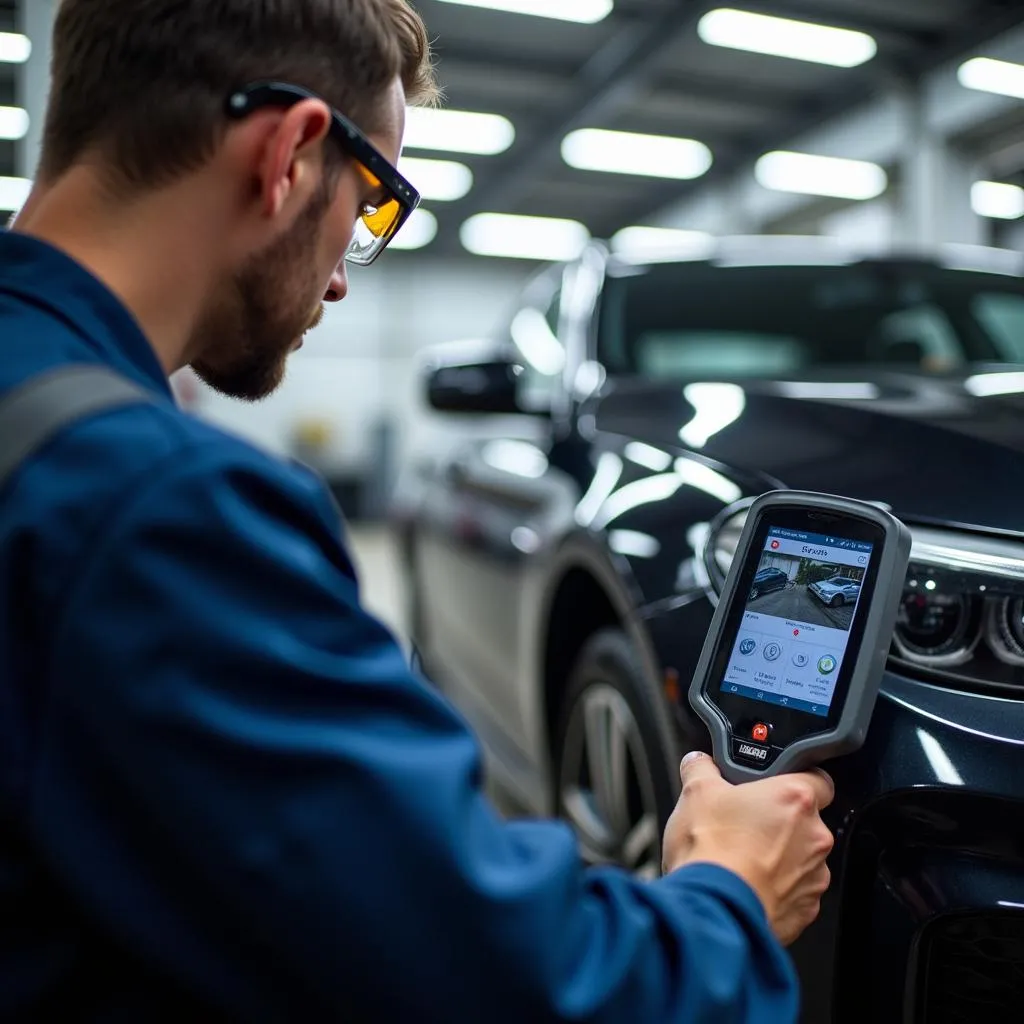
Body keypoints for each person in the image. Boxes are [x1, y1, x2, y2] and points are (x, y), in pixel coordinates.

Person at [0, 1, 834, 1020]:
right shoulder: (159, 509)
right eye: (373, 198)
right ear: (291, 154)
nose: (345, 272)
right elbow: (508, 986)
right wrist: (729, 897)